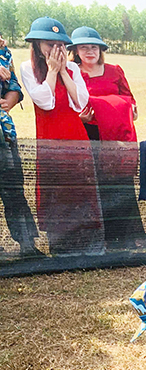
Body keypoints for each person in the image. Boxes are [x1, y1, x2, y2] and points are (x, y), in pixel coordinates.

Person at [19, 17, 103, 255]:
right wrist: (52, 71)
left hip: (75, 136)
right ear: (36, 45)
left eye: (59, 45)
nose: (55, 50)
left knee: (80, 188)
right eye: (48, 44)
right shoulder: (28, 68)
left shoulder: (74, 68)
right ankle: (61, 244)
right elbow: (45, 102)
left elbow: (81, 102)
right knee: (55, 189)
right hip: (49, 137)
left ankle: (89, 243)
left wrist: (65, 71)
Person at [69, 26, 146, 251]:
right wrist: (80, 118)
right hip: (89, 136)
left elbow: (129, 98)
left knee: (121, 184)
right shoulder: (73, 73)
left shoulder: (114, 71)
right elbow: (68, 104)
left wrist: (131, 109)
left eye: (94, 47)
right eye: (84, 47)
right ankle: (98, 236)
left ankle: (124, 237)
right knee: (96, 187)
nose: (90, 51)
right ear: (75, 50)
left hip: (117, 139)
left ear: (101, 49)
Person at [0, 32, 40, 256]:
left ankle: (27, 245)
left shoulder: (3, 53)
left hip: (3, 132)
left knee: (13, 189)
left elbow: (14, 86)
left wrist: (11, 98)